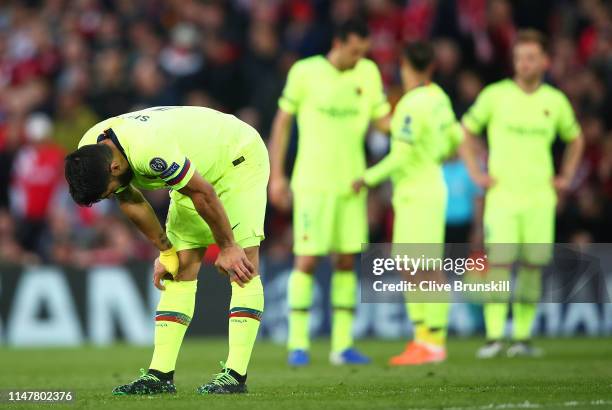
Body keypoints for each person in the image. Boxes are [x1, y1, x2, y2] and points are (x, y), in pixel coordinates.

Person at [64, 106, 269, 394]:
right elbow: (131, 200)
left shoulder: (149, 150)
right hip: (196, 172)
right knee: (179, 270)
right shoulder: (91, 149)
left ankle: (235, 376)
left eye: (108, 191)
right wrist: (166, 252)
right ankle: (160, 376)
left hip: (236, 157)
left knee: (242, 264)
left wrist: (227, 246)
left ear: (114, 168)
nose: (111, 195)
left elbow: (202, 193)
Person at [268, 18, 390, 366]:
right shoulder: (305, 72)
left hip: (352, 182)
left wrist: (412, 117)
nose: (358, 58)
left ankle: (342, 345)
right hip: (313, 182)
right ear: (338, 43)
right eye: (354, 51)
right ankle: (298, 344)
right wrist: (277, 176)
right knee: (306, 260)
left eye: (363, 52)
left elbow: (382, 121)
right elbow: (282, 122)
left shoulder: (368, 73)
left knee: (348, 260)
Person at [460, 29, 584, 358]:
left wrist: (567, 176)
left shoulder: (554, 102)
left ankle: (523, 338)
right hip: (502, 197)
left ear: (544, 61)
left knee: (532, 266)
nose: (523, 64)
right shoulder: (495, 95)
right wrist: (475, 172)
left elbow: (576, 139)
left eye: (530, 57)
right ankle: (495, 336)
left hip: (539, 198)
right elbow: (466, 131)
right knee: (499, 265)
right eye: (518, 58)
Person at [353, 41, 463, 365]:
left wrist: (367, 177)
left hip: (417, 193)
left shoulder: (410, 105)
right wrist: (437, 154)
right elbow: (456, 137)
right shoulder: (439, 97)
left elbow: (398, 156)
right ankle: (428, 340)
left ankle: (431, 341)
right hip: (430, 187)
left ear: (405, 66)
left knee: (419, 267)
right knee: (418, 266)